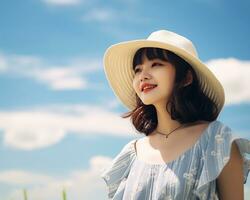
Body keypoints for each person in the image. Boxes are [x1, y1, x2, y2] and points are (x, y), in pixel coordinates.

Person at [100, 30, 250, 200]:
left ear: (186, 78)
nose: (143, 76)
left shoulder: (216, 140)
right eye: (137, 69)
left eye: (156, 64)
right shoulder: (131, 154)